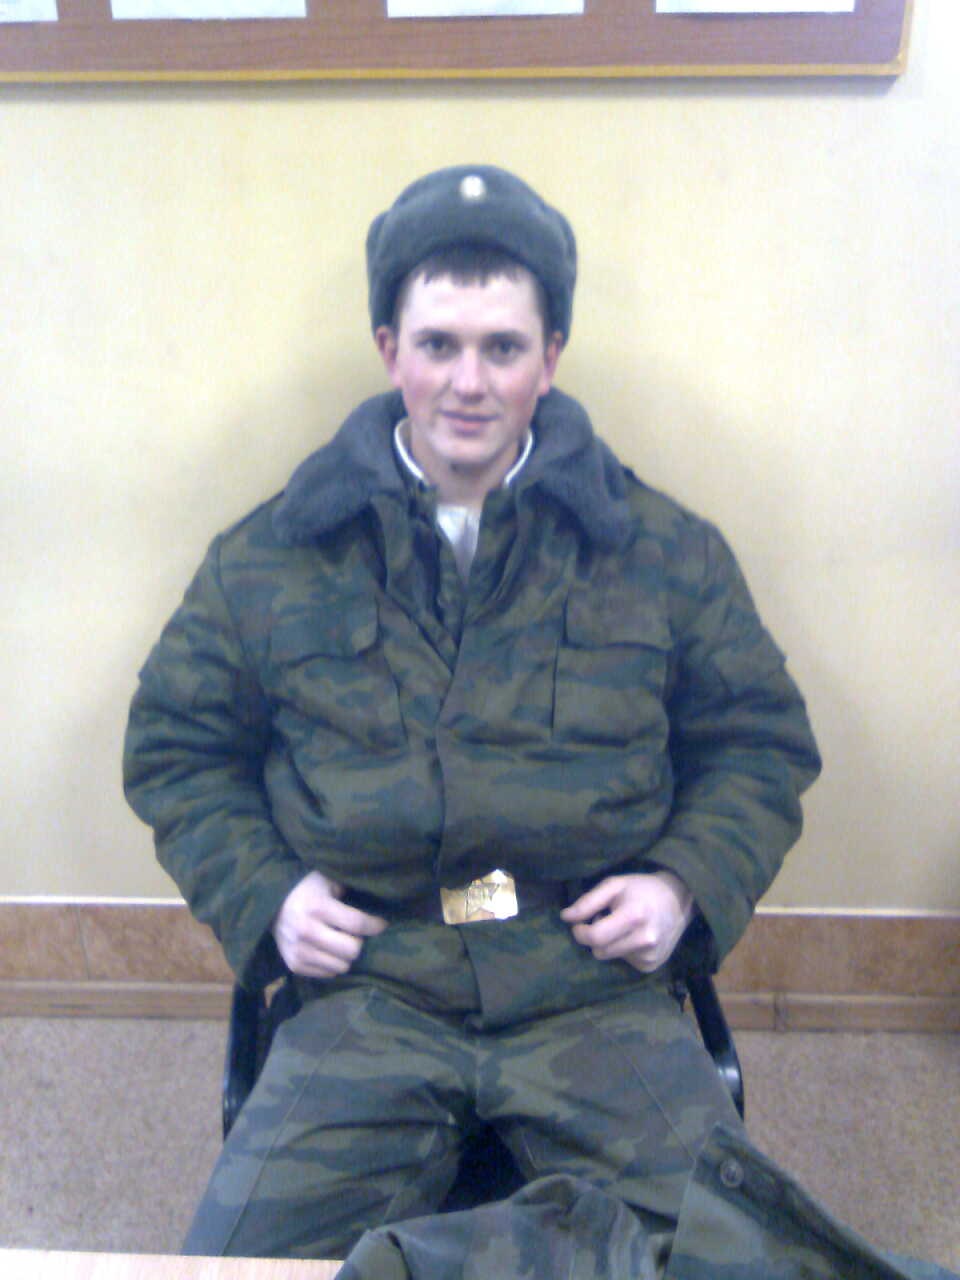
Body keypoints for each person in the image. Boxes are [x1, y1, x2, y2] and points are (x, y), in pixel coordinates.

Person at [122, 166, 951, 1279]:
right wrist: (268, 894)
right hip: (374, 987)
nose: (468, 382)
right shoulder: (272, 556)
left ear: (549, 357)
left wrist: (684, 884)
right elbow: (177, 746)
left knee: (742, 1263)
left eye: (502, 347)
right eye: (439, 344)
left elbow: (757, 742)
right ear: (389, 350)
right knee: (233, 1274)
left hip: (588, 985)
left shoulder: (662, 551)